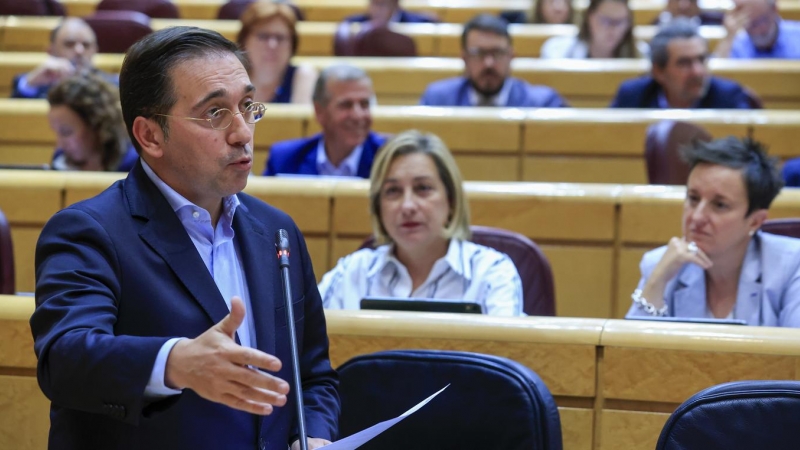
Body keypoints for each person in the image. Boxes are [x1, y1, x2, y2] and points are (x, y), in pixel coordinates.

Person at [30, 26, 339, 450]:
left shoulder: (277, 231)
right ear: (150, 135)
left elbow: (313, 374)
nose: (242, 132)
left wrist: (315, 435)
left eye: (247, 106)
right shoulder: (89, 231)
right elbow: (65, 359)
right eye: (215, 113)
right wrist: (173, 363)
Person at [318, 130, 524, 316]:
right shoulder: (353, 271)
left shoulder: (491, 273)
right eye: (393, 191)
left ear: (451, 199)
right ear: (378, 207)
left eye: (423, 188)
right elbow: (304, 342)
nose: (407, 206)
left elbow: (508, 353)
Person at [626, 136, 800, 327]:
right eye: (693, 198)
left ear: (755, 221)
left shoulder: (791, 267)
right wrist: (655, 283)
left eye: (719, 205)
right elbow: (629, 354)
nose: (697, 217)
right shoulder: (662, 265)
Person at [419, 14, 567, 107]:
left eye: (497, 53)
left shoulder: (543, 104)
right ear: (464, 58)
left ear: (511, 56)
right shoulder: (437, 100)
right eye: (479, 53)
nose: (488, 63)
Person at [264, 64, 384, 177]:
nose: (358, 115)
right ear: (319, 111)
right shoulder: (284, 160)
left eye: (364, 104)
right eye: (346, 105)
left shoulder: (390, 158)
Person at [610, 18, 757, 109]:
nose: (697, 71)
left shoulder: (728, 98)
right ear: (659, 72)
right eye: (684, 63)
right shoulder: (632, 97)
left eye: (701, 59)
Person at [47, 72, 138, 171]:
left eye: (66, 132)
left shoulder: (134, 165)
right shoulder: (60, 159)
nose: (59, 144)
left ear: (97, 124)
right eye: (57, 132)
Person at [237, 1, 318, 104]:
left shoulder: (302, 77)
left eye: (280, 38)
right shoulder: (230, 78)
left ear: (292, 45)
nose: (272, 45)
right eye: (263, 36)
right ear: (244, 41)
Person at [11, 17, 111, 99]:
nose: (79, 51)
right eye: (69, 44)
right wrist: (30, 84)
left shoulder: (114, 85)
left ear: (95, 50)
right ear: (50, 51)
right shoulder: (32, 84)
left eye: (86, 45)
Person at [540, 0, 647, 58]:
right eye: (605, 21)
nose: (612, 29)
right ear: (589, 17)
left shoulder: (642, 55)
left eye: (619, 22)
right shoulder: (557, 51)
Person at [714, 0, 800, 59]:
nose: (760, 30)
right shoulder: (736, 45)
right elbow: (717, 78)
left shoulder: (797, 35)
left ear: (774, 9)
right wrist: (729, 37)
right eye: (752, 24)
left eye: (763, 20)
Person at [344, 0, 438, 25]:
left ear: (395, 4)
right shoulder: (353, 23)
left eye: (382, 4)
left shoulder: (422, 23)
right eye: (374, 3)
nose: (376, 10)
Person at [653, 0, 724, 26]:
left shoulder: (714, 23)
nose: (683, 5)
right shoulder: (657, 25)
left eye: (690, 0)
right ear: (668, 3)